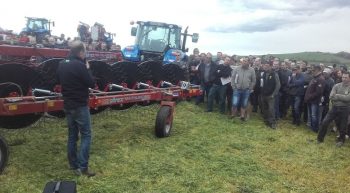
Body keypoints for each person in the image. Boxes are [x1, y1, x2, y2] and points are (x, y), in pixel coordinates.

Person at [57, 41, 96, 177]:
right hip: (80, 105)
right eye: (84, 52)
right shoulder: (80, 66)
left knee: (72, 135)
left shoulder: (62, 64)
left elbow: (59, 80)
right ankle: (83, 167)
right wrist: (88, 68)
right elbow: (91, 83)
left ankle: (73, 165)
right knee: (86, 135)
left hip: (68, 105)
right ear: (80, 52)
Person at [317, 71, 350, 147]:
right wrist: (341, 97)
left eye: (346, 77)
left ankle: (341, 141)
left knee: (342, 126)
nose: (344, 79)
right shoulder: (336, 85)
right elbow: (331, 96)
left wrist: (337, 95)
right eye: (343, 77)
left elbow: (348, 98)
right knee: (325, 122)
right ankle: (320, 139)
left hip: (345, 108)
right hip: (334, 107)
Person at [304, 64, 325, 133]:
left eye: (314, 70)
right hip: (310, 100)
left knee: (314, 115)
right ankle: (311, 127)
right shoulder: (314, 78)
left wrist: (309, 97)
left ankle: (315, 129)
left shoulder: (321, 79)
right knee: (310, 115)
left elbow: (319, 92)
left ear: (318, 70)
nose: (312, 71)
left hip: (315, 101)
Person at [260, 60, 281, 129]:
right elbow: (261, 84)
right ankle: (266, 120)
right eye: (265, 66)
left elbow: (278, 85)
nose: (266, 67)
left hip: (271, 95)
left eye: (267, 66)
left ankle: (272, 123)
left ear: (271, 66)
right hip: (263, 95)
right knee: (265, 108)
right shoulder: (263, 74)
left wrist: (273, 94)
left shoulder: (275, 74)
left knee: (271, 109)